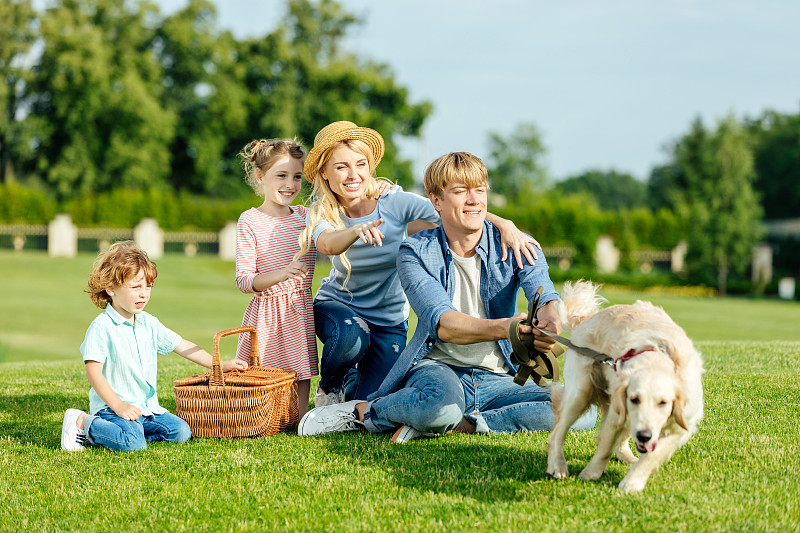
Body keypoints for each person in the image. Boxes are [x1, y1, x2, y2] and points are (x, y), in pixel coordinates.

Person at [298, 151, 596, 442]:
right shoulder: (414, 252)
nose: (474, 199)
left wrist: (550, 322)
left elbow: (545, 294)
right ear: (436, 201)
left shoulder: (518, 243)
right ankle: (365, 410)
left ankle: (462, 424)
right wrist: (507, 327)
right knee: (434, 405)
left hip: (498, 376)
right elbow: (443, 324)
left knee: (583, 409)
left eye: (480, 190)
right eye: (460, 191)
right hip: (438, 369)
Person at [298, 121, 542, 407]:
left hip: (388, 320)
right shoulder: (321, 210)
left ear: (370, 168)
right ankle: (329, 387)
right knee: (351, 337)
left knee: (371, 399)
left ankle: (352, 384)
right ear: (324, 173)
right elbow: (327, 244)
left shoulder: (394, 202)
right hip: (338, 308)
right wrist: (355, 230)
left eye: (360, 164)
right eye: (341, 167)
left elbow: (454, 211)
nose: (354, 175)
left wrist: (504, 223)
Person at [61, 241, 248, 452]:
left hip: (146, 410)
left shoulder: (148, 323)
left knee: (181, 432)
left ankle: (125, 432)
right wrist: (119, 406)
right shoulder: (101, 327)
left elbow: (183, 346)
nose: (144, 294)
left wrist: (220, 365)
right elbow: (93, 373)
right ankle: (84, 422)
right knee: (133, 444)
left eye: (148, 286)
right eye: (135, 287)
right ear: (111, 289)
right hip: (111, 409)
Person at [234, 138, 317, 418]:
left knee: (301, 368)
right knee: (266, 370)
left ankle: (299, 417)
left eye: (296, 177)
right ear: (260, 176)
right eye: (281, 175)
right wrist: (282, 274)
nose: (290, 184)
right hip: (267, 311)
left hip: (299, 307)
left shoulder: (307, 216)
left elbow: (340, 204)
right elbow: (245, 281)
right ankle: (265, 417)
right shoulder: (250, 220)